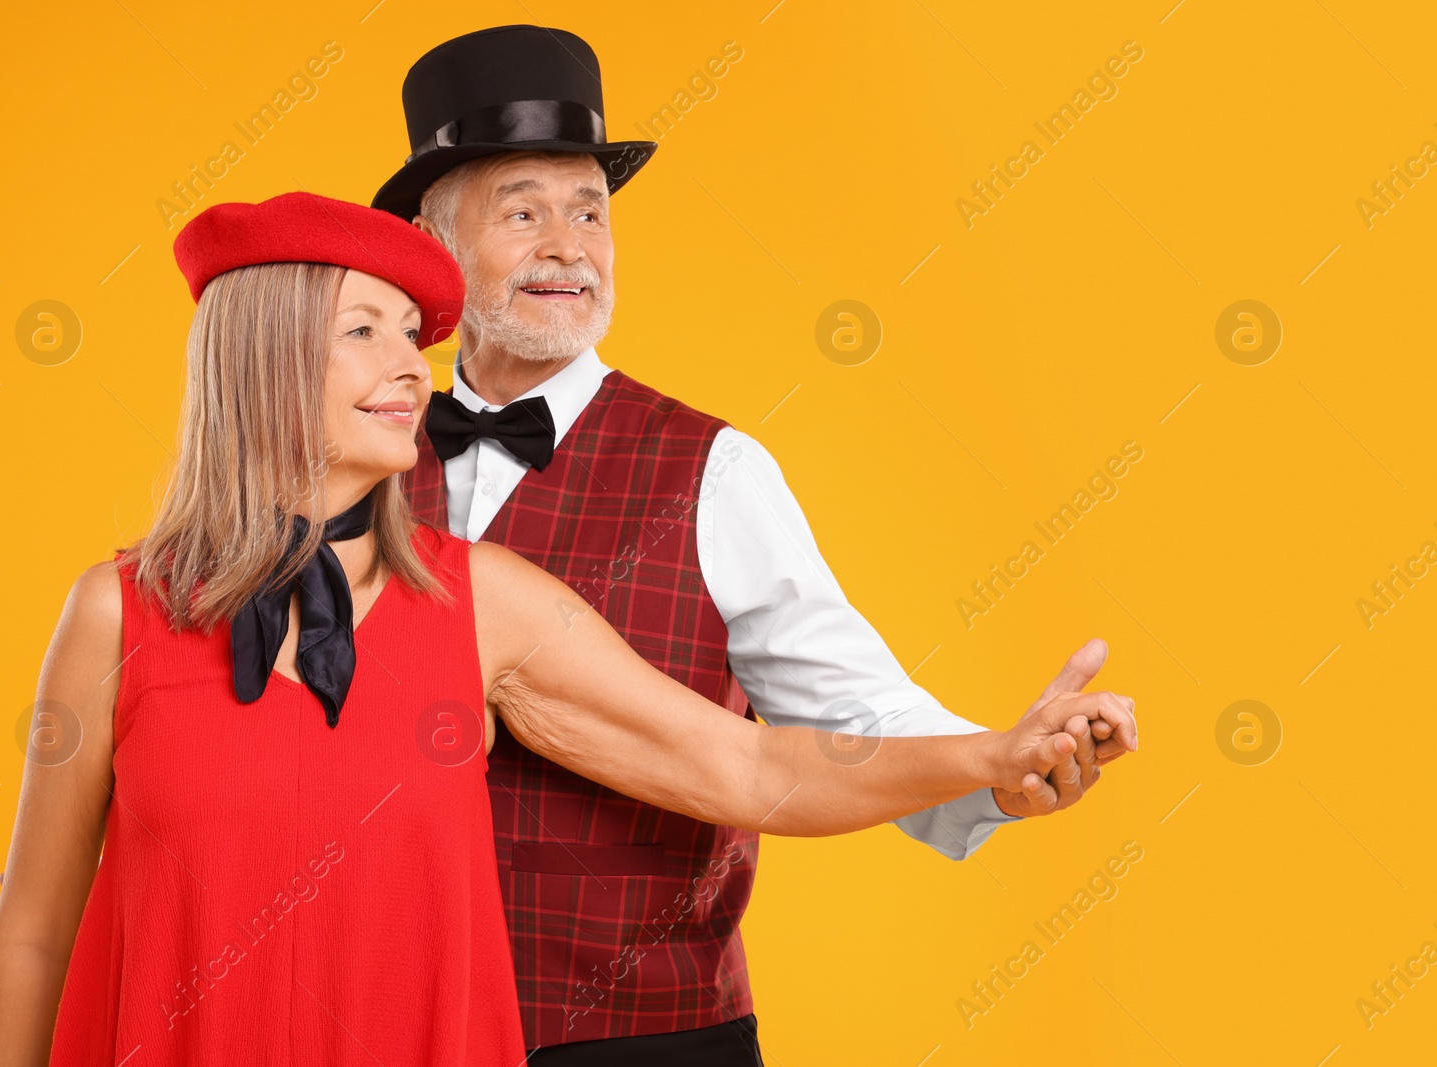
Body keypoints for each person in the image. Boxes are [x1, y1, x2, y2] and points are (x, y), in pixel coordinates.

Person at [0, 190, 1138, 1066]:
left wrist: (986, 755)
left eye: (412, 340)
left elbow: (745, 760)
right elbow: (31, 930)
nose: (412, 372)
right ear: (260, 364)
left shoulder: (485, 603)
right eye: (365, 334)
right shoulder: (113, 609)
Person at [370, 24, 1133, 1063]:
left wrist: (996, 764)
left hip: (647, 1037)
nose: (569, 246)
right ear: (432, 239)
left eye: (591, 212)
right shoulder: (353, 453)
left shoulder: (714, 470)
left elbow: (852, 711)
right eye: (523, 212)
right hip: (382, 1022)